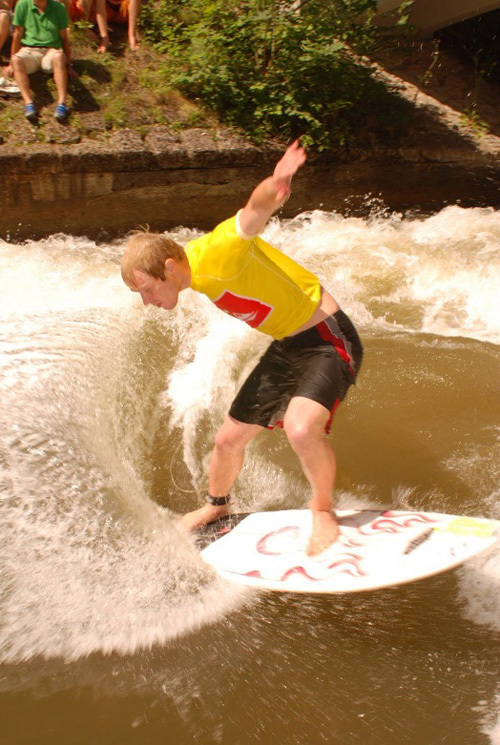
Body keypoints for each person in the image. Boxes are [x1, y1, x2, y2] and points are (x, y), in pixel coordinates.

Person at [120, 141, 363, 556]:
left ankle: (322, 510)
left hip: (328, 337)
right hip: (290, 344)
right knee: (227, 440)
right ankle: (217, 507)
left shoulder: (219, 251)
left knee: (301, 428)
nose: (147, 301)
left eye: (147, 290)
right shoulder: (191, 269)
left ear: (169, 268)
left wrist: (277, 181)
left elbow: (253, 213)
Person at [5, 0, 77, 122]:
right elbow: (17, 35)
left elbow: (64, 37)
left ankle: (62, 104)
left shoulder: (59, 7)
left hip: (50, 50)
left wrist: (69, 64)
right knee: (17, 59)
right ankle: (29, 103)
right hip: (29, 50)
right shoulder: (23, 5)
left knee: (59, 56)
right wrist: (11, 63)